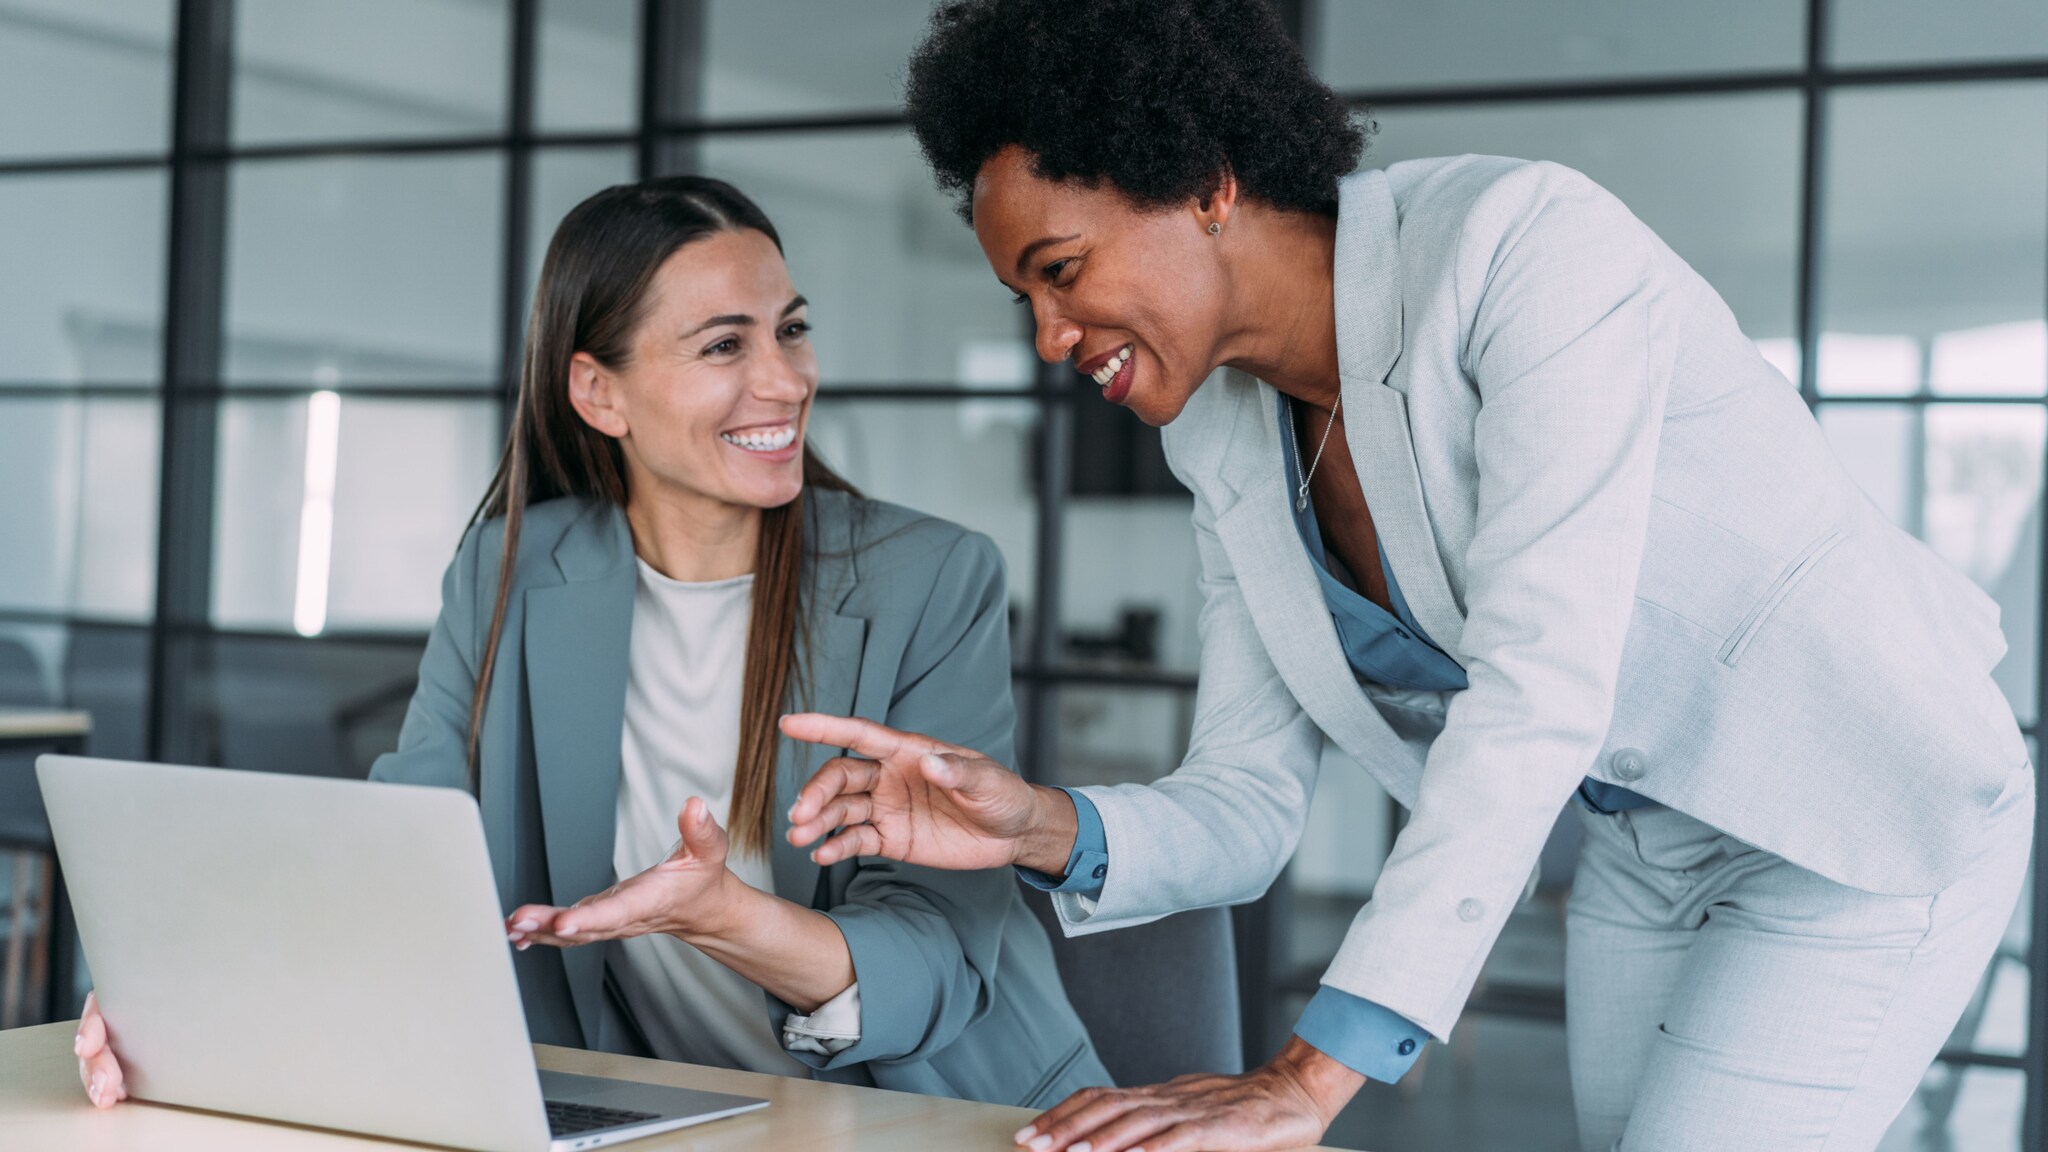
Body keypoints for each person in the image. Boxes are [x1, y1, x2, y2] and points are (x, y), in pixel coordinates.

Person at [774, 4, 2037, 1151]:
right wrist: (1032, 823)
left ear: (1205, 189)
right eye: (1023, 298)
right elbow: (1245, 799)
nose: (1049, 338)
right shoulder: (1216, 431)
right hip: (1647, 850)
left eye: (1061, 272)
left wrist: (1308, 1078)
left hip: (1856, 801)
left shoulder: (1521, 250)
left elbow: (1538, 685)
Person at [72, 175, 1107, 1112]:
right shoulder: (509, 570)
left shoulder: (927, 578)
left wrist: (725, 917)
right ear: (596, 391)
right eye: (722, 346)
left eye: (789, 331)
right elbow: (402, 861)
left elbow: (937, 952)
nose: (785, 381)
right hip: (652, 1114)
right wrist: (184, 1009)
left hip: (939, 1112)